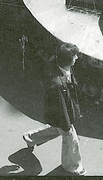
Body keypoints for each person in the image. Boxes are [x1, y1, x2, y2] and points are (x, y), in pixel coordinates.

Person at [23, 42, 85, 176]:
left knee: (56, 130)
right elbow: (61, 107)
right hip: (62, 116)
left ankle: (30, 138)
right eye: (75, 56)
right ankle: (73, 167)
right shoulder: (57, 83)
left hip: (60, 114)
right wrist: (67, 126)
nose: (77, 58)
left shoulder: (64, 69)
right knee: (71, 140)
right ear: (68, 59)